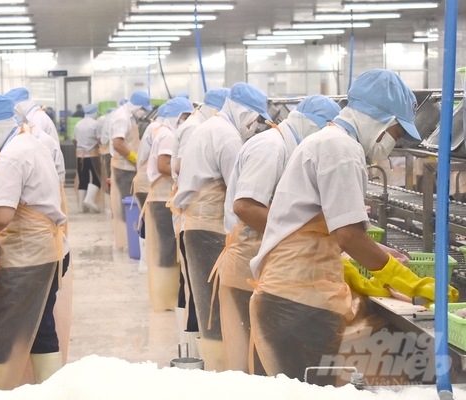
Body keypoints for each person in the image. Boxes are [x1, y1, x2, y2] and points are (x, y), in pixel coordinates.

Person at [248, 69, 459, 384]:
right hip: (300, 305)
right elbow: (348, 236)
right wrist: (411, 285)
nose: (394, 144)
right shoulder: (341, 150)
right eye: (398, 134)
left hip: (292, 296)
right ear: (383, 122)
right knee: (406, 363)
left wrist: (368, 267)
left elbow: (318, 233)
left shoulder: (326, 141)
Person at [216, 95, 341, 373]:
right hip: (251, 261)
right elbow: (245, 206)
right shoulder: (271, 147)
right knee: (257, 361)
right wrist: (292, 240)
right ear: (314, 128)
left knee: (261, 359)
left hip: (261, 261)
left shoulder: (284, 146)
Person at [0, 93, 67, 389]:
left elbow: (3, 217)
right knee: (41, 326)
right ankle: (51, 391)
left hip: (30, 255)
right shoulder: (29, 140)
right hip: (49, 248)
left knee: (2, 330)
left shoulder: (10, 156)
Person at [173, 82, 271, 371]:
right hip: (210, 228)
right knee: (214, 307)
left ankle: (210, 368)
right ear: (244, 113)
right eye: (255, 119)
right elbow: (241, 191)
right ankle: (219, 371)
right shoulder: (227, 136)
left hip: (197, 224)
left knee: (204, 303)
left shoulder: (212, 127)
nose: (255, 126)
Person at [169, 88, 230, 349]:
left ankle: (192, 350)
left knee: (194, 287)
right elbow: (178, 166)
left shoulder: (199, 126)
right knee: (198, 290)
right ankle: (196, 353)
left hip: (193, 216)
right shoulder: (199, 127)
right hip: (200, 218)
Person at [144, 98, 193, 312]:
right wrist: (190, 168)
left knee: (166, 248)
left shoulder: (165, 132)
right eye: (184, 117)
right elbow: (163, 165)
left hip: (163, 196)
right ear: (176, 116)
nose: (185, 121)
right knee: (166, 249)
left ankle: (166, 296)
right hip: (163, 197)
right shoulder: (167, 135)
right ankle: (165, 298)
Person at [108, 90, 152, 249]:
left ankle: (131, 240)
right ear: (137, 106)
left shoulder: (129, 116)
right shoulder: (122, 117)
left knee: (131, 205)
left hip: (130, 167)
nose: (143, 113)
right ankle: (129, 242)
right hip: (124, 168)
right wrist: (135, 158)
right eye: (143, 109)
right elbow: (118, 144)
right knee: (128, 206)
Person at [132, 104, 167, 273]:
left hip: (149, 178)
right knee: (149, 220)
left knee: (151, 220)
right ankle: (145, 263)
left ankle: (148, 262)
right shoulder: (157, 128)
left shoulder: (165, 130)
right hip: (148, 180)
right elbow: (142, 155)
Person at [73, 104, 101, 213]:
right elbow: (99, 140)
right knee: (96, 177)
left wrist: (80, 148)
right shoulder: (96, 124)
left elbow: (74, 140)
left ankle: (81, 207)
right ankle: (89, 199)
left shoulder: (78, 124)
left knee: (82, 179)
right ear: (94, 113)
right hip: (93, 156)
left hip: (80, 156)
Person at [99, 108, 116, 187]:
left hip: (107, 150)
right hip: (111, 151)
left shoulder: (110, 116)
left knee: (110, 178)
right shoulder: (116, 117)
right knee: (111, 179)